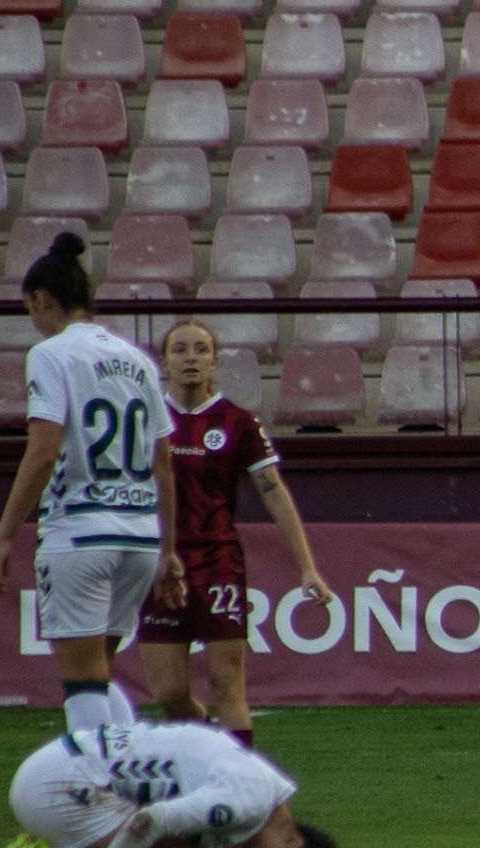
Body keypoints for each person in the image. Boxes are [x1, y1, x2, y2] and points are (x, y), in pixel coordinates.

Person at [0, 232, 184, 734]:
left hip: (81, 533)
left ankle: (98, 792)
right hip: (138, 536)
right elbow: (164, 463)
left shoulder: (51, 355)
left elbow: (43, 452)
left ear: (39, 299)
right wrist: (168, 549)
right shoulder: (138, 361)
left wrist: (5, 535)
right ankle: (127, 765)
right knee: (100, 673)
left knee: (80, 681)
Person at [138, 320, 334, 749]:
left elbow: (274, 491)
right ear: (164, 361)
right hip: (157, 566)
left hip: (217, 562)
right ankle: (213, 751)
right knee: (168, 694)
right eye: (180, 350)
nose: (191, 357)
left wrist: (307, 568)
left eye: (201, 349)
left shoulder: (236, 421)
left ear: (214, 360)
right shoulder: (147, 419)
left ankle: (243, 793)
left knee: (227, 684)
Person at [0, 719, 369, 848]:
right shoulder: (243, 803)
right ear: (293, 842)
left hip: (63, 768)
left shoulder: (270, 789)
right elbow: (150, 820)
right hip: (60, 788)